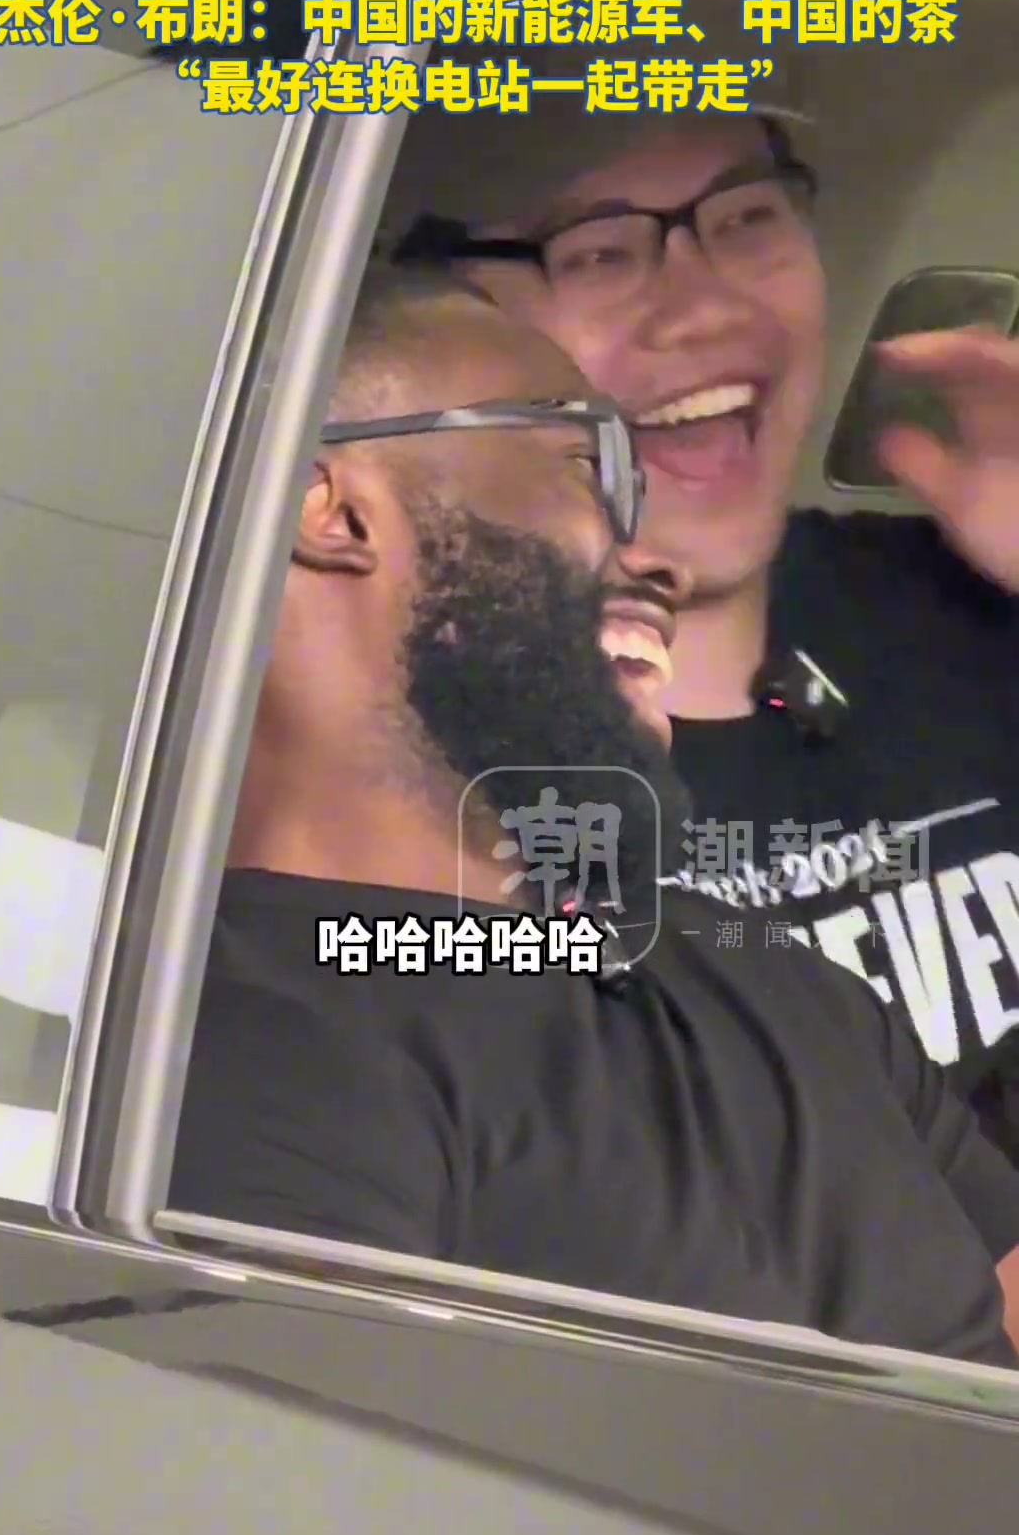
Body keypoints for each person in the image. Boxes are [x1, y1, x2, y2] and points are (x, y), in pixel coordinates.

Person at [172, 261, 1019, 1368]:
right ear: (331, 512)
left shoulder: (762, 976)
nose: (656, 558)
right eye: (586, 465)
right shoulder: (248, 1053)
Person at [391, 108, 1019, 1160]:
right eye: (597, 251)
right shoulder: (408, 768)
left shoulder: (970, 594)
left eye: (747, 216)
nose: (706, 307)